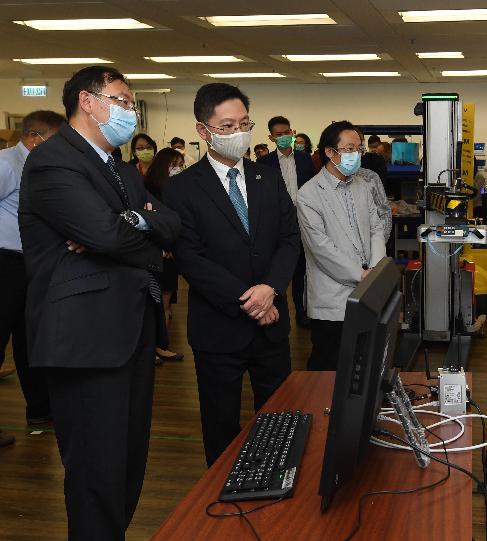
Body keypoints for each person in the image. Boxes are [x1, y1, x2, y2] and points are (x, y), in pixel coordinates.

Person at [18, 66, 181, 541]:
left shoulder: (119, 166)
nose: (131, 110)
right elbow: (106, 234)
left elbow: (168, 222)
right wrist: (135, 230)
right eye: (123, 99)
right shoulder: (54, 160)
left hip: (130, 330)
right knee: (96, 470)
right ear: (87, 102)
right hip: (86, 336)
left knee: (128, 463)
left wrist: (133, 224)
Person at [163, 83, 300, 467]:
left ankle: (275, 483)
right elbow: (190, 257)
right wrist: (251, 299)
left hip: (271, 324)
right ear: (202, 131)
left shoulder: (268, 179)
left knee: (279, 417)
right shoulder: (181, 188)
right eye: (226, 126)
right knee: (221, 424)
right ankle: (221, 504)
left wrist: (270, 289)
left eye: (244, 123)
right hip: (219, 329)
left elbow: (289, 240)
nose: (238, 132)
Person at [296, 121, 386, 371]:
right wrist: (361, 275)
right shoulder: (309, 194)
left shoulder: (362, 186)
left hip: (368, 290)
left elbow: (376, 228)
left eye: (359, 148)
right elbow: (321, 248)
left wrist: (376, 271)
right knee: (329, 367)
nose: (356, 155)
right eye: (349, 149)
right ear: (329, 152)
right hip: (333, 298)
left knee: (363, 365)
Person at [0, 110, 65, 428]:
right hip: (5, 263)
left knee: (31, 339)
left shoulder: (38, 166)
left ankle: (39, 407)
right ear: (34, 136)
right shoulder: (7, 163)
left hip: (31, 264)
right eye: (57, 140)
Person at [257, 115, 315, 328]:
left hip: (304, 220)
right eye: (278, 135)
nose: (283, 137)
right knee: (279, 267)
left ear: (293, 132)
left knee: (302, 269)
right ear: (271, 138)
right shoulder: (264, 163)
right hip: (277, 224)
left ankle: (301, 312)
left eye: (286, 133)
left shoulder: (305, 159)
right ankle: (275, 308)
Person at [144, 148, 186, 363]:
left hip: (172, 252)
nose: (179, 168)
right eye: (175, 164)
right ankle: (153, 347)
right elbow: (150, 221)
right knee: (156, 301)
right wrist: (163, 244)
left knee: (167, 300)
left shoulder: (180, 189)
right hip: (155, 253)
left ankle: (162, 345)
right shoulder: (149, 188)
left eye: (181, 163)